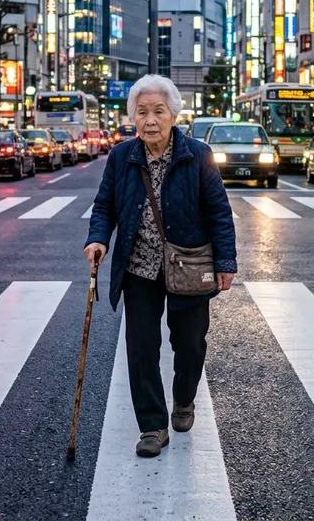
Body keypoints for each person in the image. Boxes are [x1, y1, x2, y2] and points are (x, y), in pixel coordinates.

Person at [85, 74, 237, 458]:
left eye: (158, 111)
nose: (150, 120)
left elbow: (219, 211)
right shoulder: (121, 156)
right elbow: (104, 205)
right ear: (132, 117)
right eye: (142, 112)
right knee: (140, 348)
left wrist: (225, 261)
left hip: (188, 265)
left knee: (189, 345)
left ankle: (184, 399)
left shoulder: (198, 155)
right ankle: (153, 425)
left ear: (173, 114)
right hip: (139, 268)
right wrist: (98, 238)